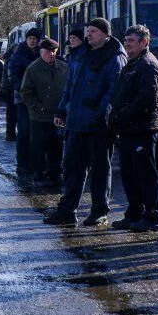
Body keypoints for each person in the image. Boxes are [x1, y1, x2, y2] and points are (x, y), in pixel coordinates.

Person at [44, 18, 125, 228]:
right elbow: (70, 86)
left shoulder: (114, 57)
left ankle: (99, 212)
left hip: (98, 125)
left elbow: (113, 91)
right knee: (72, 168)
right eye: (88, 31)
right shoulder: (81, 55)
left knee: (99, 170)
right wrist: (62, 109)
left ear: (105, 34)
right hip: (75, 121)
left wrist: (102, 115)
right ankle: (67, 210)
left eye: (93, 31)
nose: (88, 35)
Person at [111, 25, 158, 232]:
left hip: (142, 129)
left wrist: (123, 114)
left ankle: (152, 216)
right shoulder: (132, 63)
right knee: (129, 174)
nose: (126, 44)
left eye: (131, 40)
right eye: (125, 40)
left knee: (146, 174)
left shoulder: (148, 65)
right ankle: (135, 212)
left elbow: (147, 99)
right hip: (127, 129)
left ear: (144, 42)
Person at [20, 38, 68, 190]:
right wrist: (37, 107)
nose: (51, 55)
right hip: (39, 116)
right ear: (41, 52)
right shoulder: (33, 69)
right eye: (48, 52)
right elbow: (25, 92)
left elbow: (68, 89)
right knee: (38, 147)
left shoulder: (63, 67)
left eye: (54, 51)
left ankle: (56, 174)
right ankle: (39, 175)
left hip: (58, 116)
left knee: (57, 147)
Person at [3, 28, 41, 176]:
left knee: (36, 132)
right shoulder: (19, 54)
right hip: (22, 98)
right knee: (24, 131)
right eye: (30, 38)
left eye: (35, 38)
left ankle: (35, 163)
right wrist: (24, 88)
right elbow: (12, 74)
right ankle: (22, 163)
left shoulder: (41, 52)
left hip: (39, 99)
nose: (32, 41)